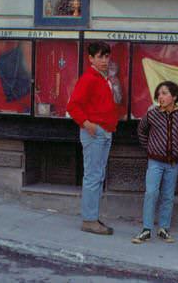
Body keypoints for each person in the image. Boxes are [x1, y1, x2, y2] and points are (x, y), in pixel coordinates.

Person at [66, 42, 119, 235]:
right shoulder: (89, 78)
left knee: (98, 176)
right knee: (93, 177)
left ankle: (92, 217)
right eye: (100, 57)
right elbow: (73, 106)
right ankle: (89, 220)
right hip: (95, 132)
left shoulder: (104, 78)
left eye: (106, 56)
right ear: (91, 58)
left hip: (104, 131)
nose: (104, 60)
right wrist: (87, 124)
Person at [132, 81, 178, 244]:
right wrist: (150, 147)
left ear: (174, 96)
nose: (161, 96)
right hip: (155, 162)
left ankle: (164, 228)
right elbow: (141, 131)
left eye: (165, 93)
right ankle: (146, 229)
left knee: (168, 196)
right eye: (159, 93)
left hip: (173, 163)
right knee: (151, 193)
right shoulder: (152, 114)